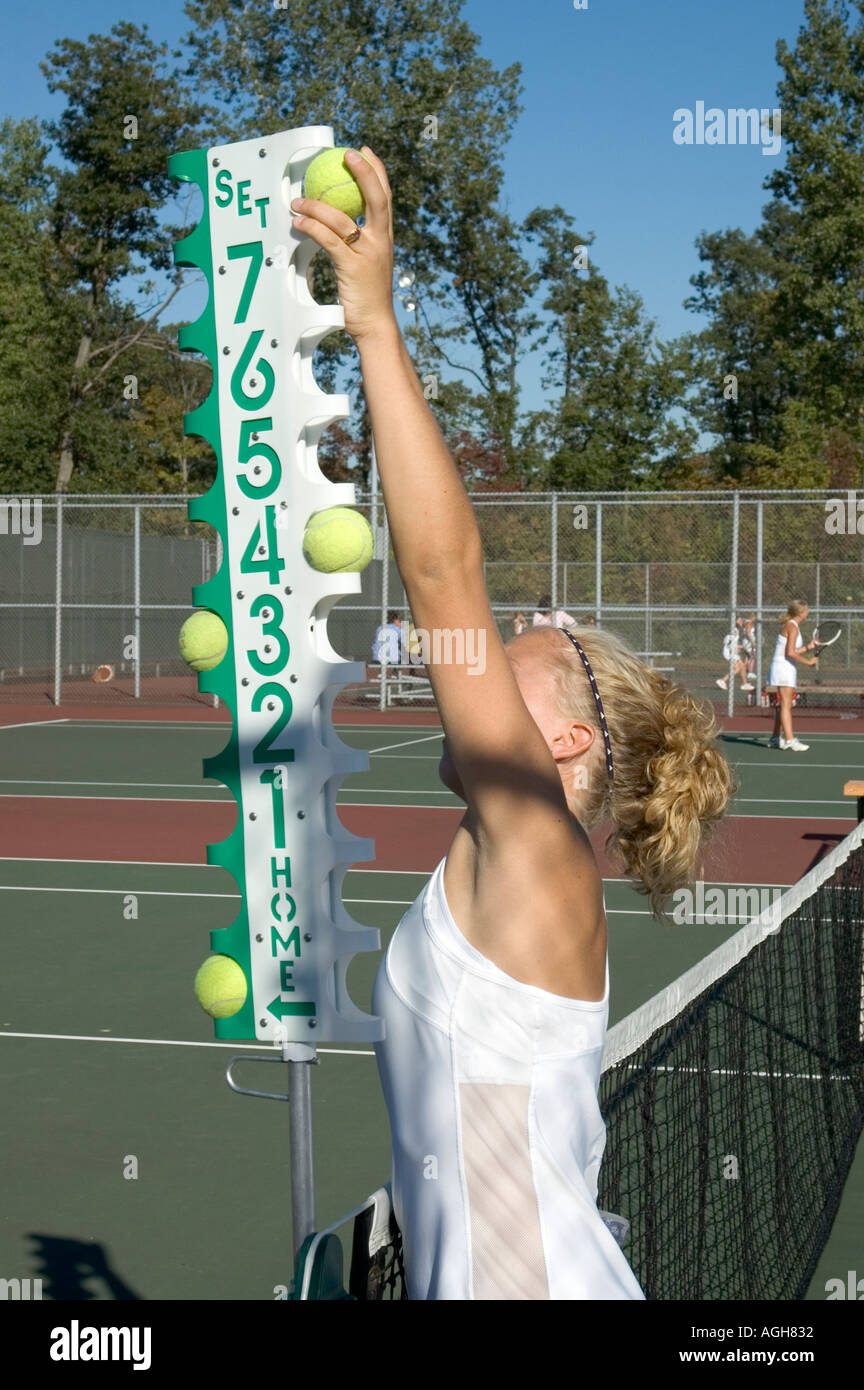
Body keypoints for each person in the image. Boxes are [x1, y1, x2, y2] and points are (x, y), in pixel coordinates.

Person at [292, 146, 734, 1301]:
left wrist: (376, 323)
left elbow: (444, 576)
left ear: (568, 744)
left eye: (532, 643)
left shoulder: (538, 837)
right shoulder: (517, 862)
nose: (504, 640)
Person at [767, 599, 818, 752]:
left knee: (784, 704)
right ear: (801, 613)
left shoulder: (791, 625)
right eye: (807, 610)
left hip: (784, 667)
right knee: (787, 704)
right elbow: (789, 653)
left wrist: (808, 647)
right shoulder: (792, 627)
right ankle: (790, 740)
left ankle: (775, 738)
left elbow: (790, 651)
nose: (808, 612)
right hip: (783, 668)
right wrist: (808, 662)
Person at [715, 617, 754, 695]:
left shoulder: (735, 630)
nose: (741, 622)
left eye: (741, 620)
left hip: (732, 651)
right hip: (730, 652)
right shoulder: (734, 630)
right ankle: (722, 680)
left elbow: (733, 644)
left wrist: (741, 647)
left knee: (742, 666)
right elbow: (730, 645)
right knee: (737, 668)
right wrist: (740, 648)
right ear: (735, 621)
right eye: (739, 620)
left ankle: (744, 684)